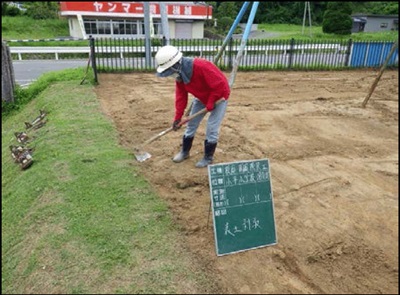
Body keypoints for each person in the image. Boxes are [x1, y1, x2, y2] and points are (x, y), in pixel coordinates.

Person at [155, 45, 230, 168]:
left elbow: (220, 86)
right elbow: (181, 97)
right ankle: (184, 152)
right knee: (191, 124)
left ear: (175, 65)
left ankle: (208, 158)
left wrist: (211, 102)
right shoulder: (180, 76)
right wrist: (178, 118)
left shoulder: (201, 66)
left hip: (220, 97)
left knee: (211, 127)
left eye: (170, 71)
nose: (170, 74)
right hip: (201, 97)